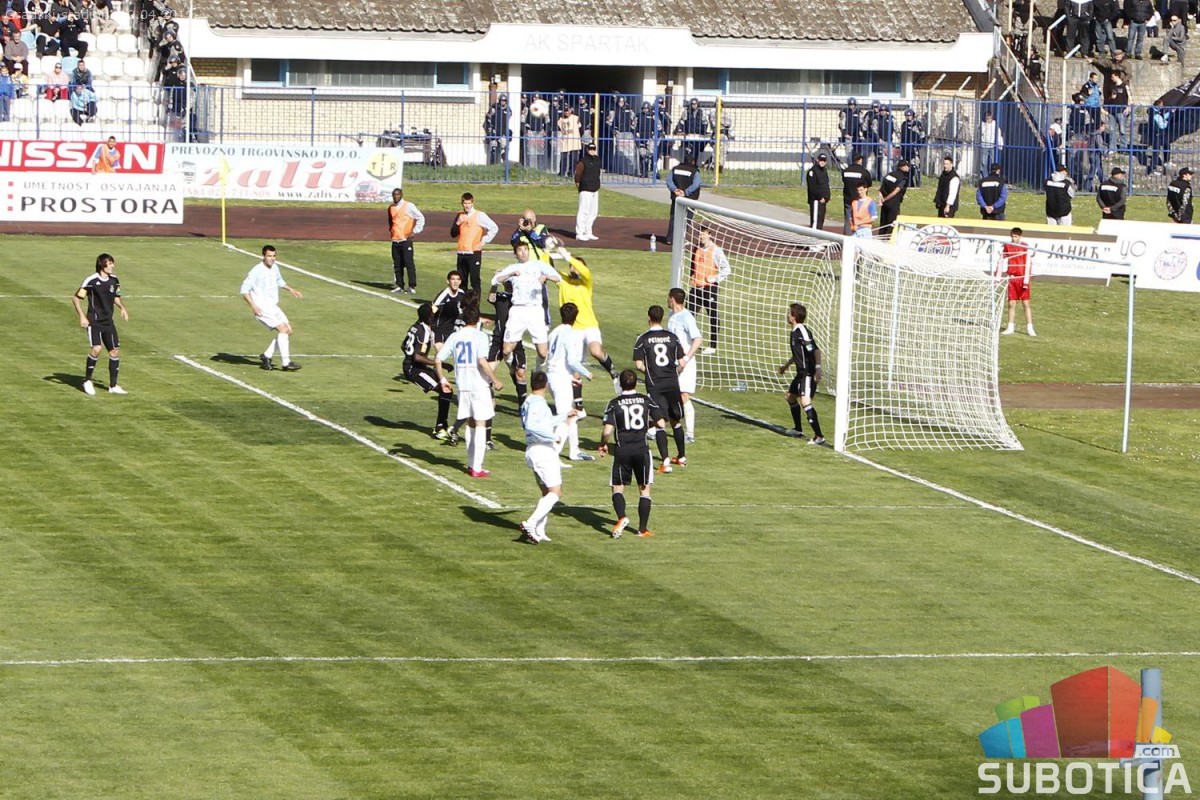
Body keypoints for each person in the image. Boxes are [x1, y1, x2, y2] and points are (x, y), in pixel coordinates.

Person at [436, 304, 503, 478]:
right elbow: (481, 361)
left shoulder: (455, 336)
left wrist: (442, 379)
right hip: (478, 385)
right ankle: (477, 467)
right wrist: (495, 380)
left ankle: (471, 464)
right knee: (481, 423)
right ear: (477, 319)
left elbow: (438, 359)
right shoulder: (481, 336)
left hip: (462, 385)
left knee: (471, 423)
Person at [598, 369, 665, 538]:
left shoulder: (614, 403)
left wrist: (603, 444)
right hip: (642, 449)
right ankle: (642, 529)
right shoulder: (646, 400)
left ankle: (622, 517)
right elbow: (661, 423)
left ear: (621, 384)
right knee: (644, 490)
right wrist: (646, 425)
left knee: (617, 488)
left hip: (623, 450)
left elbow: (607, 431)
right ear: (636, 383)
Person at [517, 370, 579, 544]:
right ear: (545, 385)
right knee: (556, 492)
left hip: (534, 450)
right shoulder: (537, 402)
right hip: (542, 450)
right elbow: (532, 425)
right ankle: (530, 523)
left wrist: (564, 416)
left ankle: (539, 530)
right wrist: (552, 437)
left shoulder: (529, 401)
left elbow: (544, 422)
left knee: (547, 492)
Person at [633, 305, 687, 472]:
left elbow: (638, 364)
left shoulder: (643, 339)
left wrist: (650, 371)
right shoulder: (672, 337)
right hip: (672, 383)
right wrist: (674, 372)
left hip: (655, 385)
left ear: (649, 318)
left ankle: (665, 462)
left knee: (660, 422)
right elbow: (682, 362)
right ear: (662, 318)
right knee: (676, 420)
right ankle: (682, 457)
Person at [552, 245, 617, 380]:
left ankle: (612, 371)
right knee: (574, 366)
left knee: (596, 352)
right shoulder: (563, 281)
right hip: (573, 329)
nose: (574, 268)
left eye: (577, 266)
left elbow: (585, 272)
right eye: (572, 266)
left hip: (589, 325)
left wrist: (568, 257)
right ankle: (577, 393)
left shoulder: (586, 282)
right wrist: (545, 250)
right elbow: (549, 269)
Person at [491, 241, 561, 363]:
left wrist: (547, 277)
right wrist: (510, 275)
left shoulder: (539, 265)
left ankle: (538, 368)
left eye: (525, 249)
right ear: (515, 254)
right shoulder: (512, 267)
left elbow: (558, 277)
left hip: (535, 310)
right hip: (517, 310)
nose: (523, 253)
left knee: (543, 353)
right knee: (506, 350)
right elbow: (495, 280)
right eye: (520, 250)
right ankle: (511, 366)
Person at [72, 252, 129, 396]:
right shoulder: (91, 281)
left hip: (108, 322)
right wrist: (82, 317)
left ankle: (113, 385)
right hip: (94, 322)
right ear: (102, 265)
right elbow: (76, 298)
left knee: (114, 351)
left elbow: (116, 297)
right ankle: (87, 380)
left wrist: (122, 308)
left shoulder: (114, 280)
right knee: (96, 349)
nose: (112, 266)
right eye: (109, 263)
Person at [240, 245, 304, 372]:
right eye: (269, 256)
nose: (272, 259)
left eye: (274, 256)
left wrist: (292, 290)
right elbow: (244, 290)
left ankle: (267, 355)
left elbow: (280, 281)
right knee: (283, 329)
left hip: (272, 306)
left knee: (288, 330)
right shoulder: (256, 270)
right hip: (262, 307)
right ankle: (286, 362)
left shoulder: (275, 268)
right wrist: (253, 306)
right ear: (263, 256)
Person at [545, 303, 594, 463]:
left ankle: (574, 450)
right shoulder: (571, 334)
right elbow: (572, 361)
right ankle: (553, 454)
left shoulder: (554, 332)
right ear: (575, 317)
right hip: (561, 379)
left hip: (552, 375)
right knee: (565, 417)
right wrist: (587, 373)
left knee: (571, 414)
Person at [402, 302, 454, 439]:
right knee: (445, 390)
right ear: (429, 317)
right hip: (414, 370)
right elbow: (418, 357)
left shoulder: (415, 326)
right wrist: (439, 364)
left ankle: (442, 425)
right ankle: (440, 428)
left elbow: (403, 345)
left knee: (447, 390)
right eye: (432, 314)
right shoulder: (424, 332)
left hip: (417, 367)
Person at [776, 302, 824, 444]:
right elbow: (798, 354)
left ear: (794, 316)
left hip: (808, 372)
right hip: (800, 372)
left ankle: (819, 436)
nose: (787, 315)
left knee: (805, 401)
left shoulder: (801, 331)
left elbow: (815, 350)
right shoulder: (794, 332)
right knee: (790, 397)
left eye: (789, 313)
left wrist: (817, 369)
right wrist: (786, 366)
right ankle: (798, 429)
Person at [666, 287, 703, 444]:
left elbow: (698, 339)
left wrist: (686, 358)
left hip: (686, 363)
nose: (667, 300)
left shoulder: (687, 317)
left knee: (683, 396)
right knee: (667, 394)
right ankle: (655, 428)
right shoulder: (672, 316)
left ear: (672, 299)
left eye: (668, 297)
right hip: (673, 362)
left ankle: (690, 433)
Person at [687, 227, 731, 354]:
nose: (701, 237)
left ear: (710, 235)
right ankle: (689, 341)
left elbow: (727, 269)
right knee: (688, 314)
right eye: (700, 234)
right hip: (697, 286)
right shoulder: (696, 248)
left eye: (703, 234)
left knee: (712, 315)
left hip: (709, 288)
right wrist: (692, 275)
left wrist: (715, 278)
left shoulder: (716, 250)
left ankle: (712, 345)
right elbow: (693, 264)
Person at [449, 192, 498, 296]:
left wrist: (483, 241)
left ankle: (475, 304)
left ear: (472, 203)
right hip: (461, 253)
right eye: (465, 203)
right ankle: (462, 303)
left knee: (474, 280)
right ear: (462, 203)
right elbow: (453, 234)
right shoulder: (460, 216)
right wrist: (458, 223)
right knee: (461, 281)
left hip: (474, 253)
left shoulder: (479, 215)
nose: (467, 206)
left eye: (469, 203)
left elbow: (494, 228)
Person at [386, 188, 425, 294]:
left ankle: (412, 286)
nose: (396, 197)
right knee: (397, 264)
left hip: (406, 240)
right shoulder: (391, 208)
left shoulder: (409, 206)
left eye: (398, 194)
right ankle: (399, 285)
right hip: (395, 240)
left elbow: (420, 217)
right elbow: (391, 222)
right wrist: (392, 231)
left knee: (409, 263)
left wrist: (415, 231)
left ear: (401, 195)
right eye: (394, 195)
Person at [998, 228, 1035, 337]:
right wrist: (998, 276)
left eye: (1016, 236)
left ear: (1020, 237)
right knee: (1011, 303)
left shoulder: (1025, 247)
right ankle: (1010, 327)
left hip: (1022, 278)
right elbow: (1001, 259)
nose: (1014, 238)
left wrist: (1026, 280)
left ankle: (1030, 328)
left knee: (1026, 303)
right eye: (1012, 236)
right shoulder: (1008, 246)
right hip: (1012, 278)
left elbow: (1028, 264)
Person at [664, 154, 701, 244]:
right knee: (687, 218)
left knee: (674, 217)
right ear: (693, 162)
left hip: (676, 197)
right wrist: (685, 192)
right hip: (690, 198)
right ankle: (681, 239)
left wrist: (675, 190)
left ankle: (670, 239)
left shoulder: (675, 169)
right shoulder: (695, 171)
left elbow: (669, 180)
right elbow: (695, 184)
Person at [574, 141, 601, 241]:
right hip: (585, 189)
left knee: (593, 212)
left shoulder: (597, 160)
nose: (592, 151)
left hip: (595, 189)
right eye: (590, 149)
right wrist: (579, 185)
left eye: (593, 149)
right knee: (583, 211)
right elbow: (577, 175)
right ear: (587, 150)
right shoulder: (583, 162)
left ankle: (588, 231)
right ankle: (580, 233)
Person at [841, 153, 872, 235]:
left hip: (848, 198)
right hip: (860, 199)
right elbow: (869, 183)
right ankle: (859, 235)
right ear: (860, 160)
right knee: (860, 218)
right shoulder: (863, 171)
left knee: (848, 219)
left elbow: (844, 181)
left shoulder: (846, 171)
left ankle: (847, 236)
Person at [878, 160, 910, 237]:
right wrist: (885, 199)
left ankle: (880, 239)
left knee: (883, 223)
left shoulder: (889, 175)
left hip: (884, 203)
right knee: (892, 223)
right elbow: (896, 191)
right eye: (907, 166)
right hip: (893, 202)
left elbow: (881, 189)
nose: (908, 168)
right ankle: (889, 240)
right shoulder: (903, 178)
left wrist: (881, 199)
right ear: (903, 167)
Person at [898, 109, 926, 187]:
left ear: (913, 116)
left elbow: (923, 136)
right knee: (906, 166)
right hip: (905, 149)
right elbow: (902, 136)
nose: (908, 117)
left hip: (914, 149)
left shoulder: (917, 124)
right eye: (907, 116)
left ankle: (918, 182)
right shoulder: (904, 124)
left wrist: (918, 144)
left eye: (910, 115)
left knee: (915, 166)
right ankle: (909, 183)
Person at [1104, 70, 1130, 149]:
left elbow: (1129, 97)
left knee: (1122, 130)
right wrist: (1111, 98)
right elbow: (1107, 99)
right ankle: (1112, 148)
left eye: (1113, 77)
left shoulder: (1125, 86)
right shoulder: (1111, 87)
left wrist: (1128, 107)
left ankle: (1123, 147)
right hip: (1112, 111)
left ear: (1117, 76)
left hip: (1121, 111)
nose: (1111, 78)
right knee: (1112, 131)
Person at [805, 152, 831, 231]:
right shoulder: (812, 172)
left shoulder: (824, 171)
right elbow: (812, 188)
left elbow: (826, 185)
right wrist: (820, 198)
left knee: (820, 221)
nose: (822, 162)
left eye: (824, 160)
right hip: (816, 201)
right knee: (815, 222)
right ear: (817, 160)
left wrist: (826, 197)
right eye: (821, 160)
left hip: (823, 201)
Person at [484, 94, 511, 165]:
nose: (503, 102)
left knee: (504, 148)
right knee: (493, 148)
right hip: (494, 130)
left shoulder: (508, 109)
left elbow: (509, 117)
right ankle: (493, 165)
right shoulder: (494, 107)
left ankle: (505, 164)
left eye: (504, 100)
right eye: (501, 100)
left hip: (503, 131)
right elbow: (488, 117)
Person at [1149, 101, 1173, 175]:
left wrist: (1170, 113)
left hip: (1160, 133)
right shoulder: (1154, 113)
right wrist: (1166, 123)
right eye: (1161, 105)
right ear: (1157, 105)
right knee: (1156, 151)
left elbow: (1163, 117)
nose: (1162, 106)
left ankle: (1166, 161)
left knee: (1167, 145)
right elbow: (1162, 125)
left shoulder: (1157, 112)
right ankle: (1153, 169)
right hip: (1157, 134)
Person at [558, 104, 581, 178]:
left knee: (573, 159)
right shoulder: (560, 120)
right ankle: (562, 173)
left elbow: (580, 126)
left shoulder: (575, 118)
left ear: (571, 110)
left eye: (568, 110)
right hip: (565, 140)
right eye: (565, 111)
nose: (566, 112)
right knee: (563, 158)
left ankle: (571, 173)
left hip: (574, 141)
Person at [838, 97, 863, 163]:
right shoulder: (844, 112)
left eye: (853, 104)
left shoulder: (859, 112)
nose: (851, 106)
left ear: (855, 105)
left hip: (856, 136)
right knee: (848, 155)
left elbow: (861, 124)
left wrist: (863, 133)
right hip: (848, 136)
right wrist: (845, 133)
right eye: (850, 104)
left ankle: (856, 166)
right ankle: (850, 166)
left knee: (857, 154)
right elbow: (842, 124)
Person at [979, 110, 1003, 176]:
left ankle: (993, 176)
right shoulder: (983, 124)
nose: (988, 120)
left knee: (993, 163)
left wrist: (1000, 144)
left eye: (989, 118)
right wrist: (986, 125)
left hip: (992, 145)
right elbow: (981, 132)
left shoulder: (995, 124)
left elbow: (998, 134)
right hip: (984, 145)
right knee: (984, 163)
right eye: (987, 118)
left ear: (992, 117)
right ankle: (985, 177)